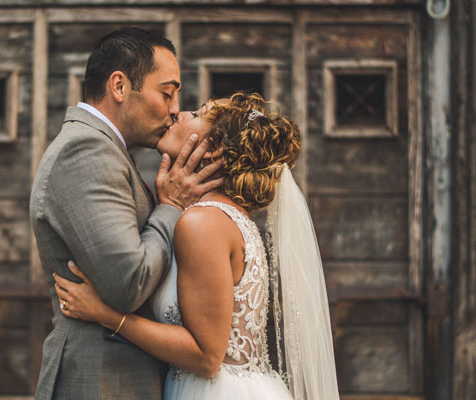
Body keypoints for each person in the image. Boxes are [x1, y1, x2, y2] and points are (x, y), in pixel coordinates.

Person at [54, 92, 341, 400]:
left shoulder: (203, 223)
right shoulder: (223, 216)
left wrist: (107, 316)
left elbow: (206, 356)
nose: (179, 113)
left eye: (197, 113)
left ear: (213, 148)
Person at [30, 28, 223, 400]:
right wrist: (171, 206)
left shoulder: (107, 150)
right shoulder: (86, 151)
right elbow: (128, 282)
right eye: (166, 93)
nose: (173, 109)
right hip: (100, 381)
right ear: (118, 86)